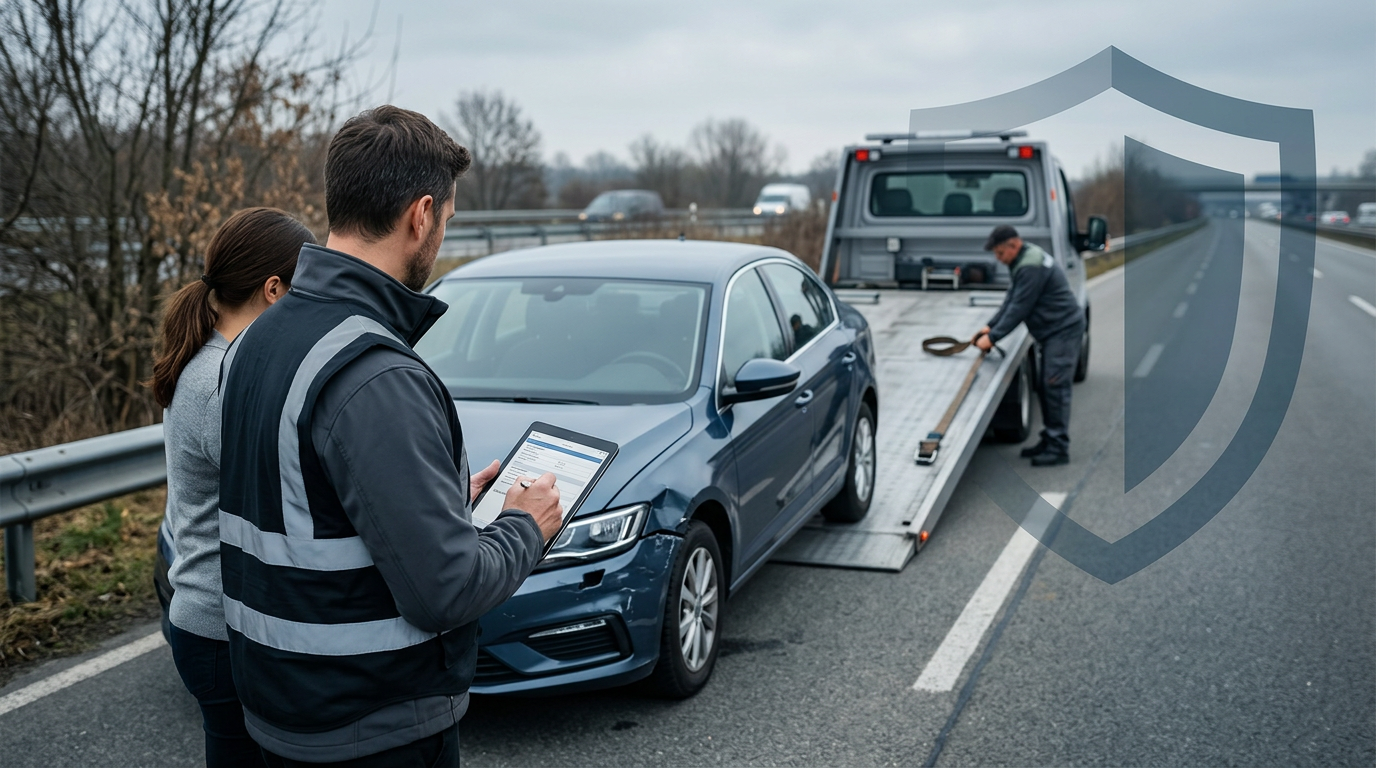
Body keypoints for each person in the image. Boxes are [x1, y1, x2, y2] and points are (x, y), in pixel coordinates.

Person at [217, 106, 565, 767]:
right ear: (421, 214)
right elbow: (448, 590)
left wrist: (442, 502)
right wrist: (526, 525)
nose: (442, 235)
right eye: (448, 221)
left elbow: (306, 507)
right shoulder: (373, 374)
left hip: (278, 709)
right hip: (372, 728)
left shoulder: (258, 336)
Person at [150, 207, 315, 767]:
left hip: (207, 620)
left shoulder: (209, 360)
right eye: (303, 289)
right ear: (274, 289)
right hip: (222, 628)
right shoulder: (222, 378)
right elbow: (277, 485)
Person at [973, 225, 1085, 467]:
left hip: (1062, 330)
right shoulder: (1024, 259)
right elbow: (1011, 299)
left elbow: (1019, 309)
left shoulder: (1030, 267)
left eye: (1000, 253)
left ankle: (1058, 447)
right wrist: (990, 327)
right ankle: (1049, 439)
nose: (998, 259)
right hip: (1053, 332)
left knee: (1054, 386)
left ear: (1014, 245)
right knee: (1045, 386)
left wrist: (992, 339)